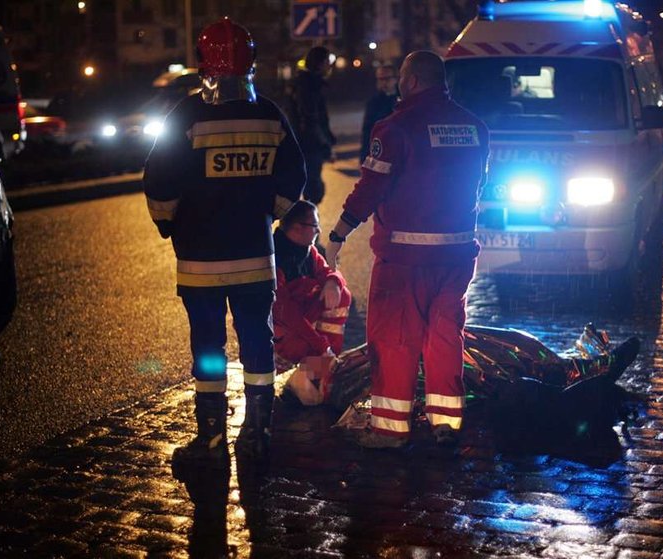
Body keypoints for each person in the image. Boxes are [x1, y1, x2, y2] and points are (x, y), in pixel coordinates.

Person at [143, 18, 306, 466]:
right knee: (257, 342)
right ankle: (258, 432)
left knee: (209, 349)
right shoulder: (269, 114)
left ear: (201, 63)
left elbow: (158, 182)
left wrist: (169, 224)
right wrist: (264, 214)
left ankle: (211, 436)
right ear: (250, 62)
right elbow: (295, 176)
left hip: (200, 263)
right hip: (255, 259)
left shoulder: (185, 116)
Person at [324, 51, 490, 449]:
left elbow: (371, 189)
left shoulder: (395, 128)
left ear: (413, 80)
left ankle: (390, 430)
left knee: (396, 340)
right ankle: (445, 423)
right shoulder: (475, 127)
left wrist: (339, 232)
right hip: (456, 254)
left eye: (401, 75)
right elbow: (479, 186)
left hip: (404, 257)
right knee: (446, 335)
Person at [273, 200, 352, 402]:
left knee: (341, 293)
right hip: (281, 338)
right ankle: (303, 374)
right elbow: (288, 315)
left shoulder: (308, 252)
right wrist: (322, 347)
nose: (319, 230)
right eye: (314, 225)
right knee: (313, 348)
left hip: (300, 329)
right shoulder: (276, 260)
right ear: (298, 228)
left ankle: (317, 371)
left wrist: (333, 282)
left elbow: (329, 271)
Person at [290, 46, 336, 205]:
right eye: (328, 61)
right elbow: (312, 119)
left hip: (302, 142)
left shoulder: (302, 83)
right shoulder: (310, 86)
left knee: (310, 186)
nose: (330, 66)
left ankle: (306, 222)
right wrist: (325, 143)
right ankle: (306, 224)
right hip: (309, 144)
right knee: (313, 189)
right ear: (321, 63)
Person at [359, 64, 398, 163]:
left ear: (395, 79)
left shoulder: (404, 98)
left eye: (387, 78)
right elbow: (368, 130)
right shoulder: (374, 102)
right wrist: (364, 157)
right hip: (383, 151)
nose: (383, 82)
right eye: (380, 79)